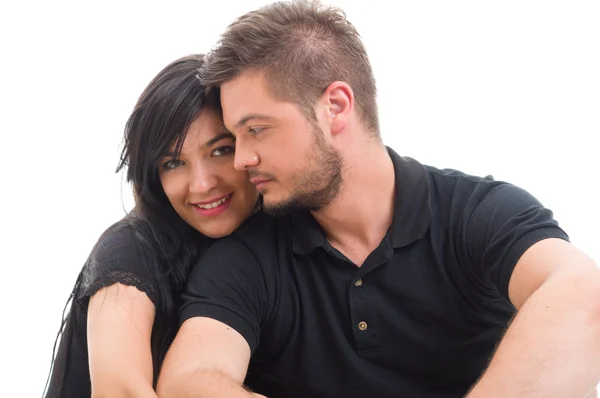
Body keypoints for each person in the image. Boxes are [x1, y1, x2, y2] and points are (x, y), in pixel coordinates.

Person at [157, 2, 600, 398]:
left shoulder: (478, 212)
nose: (242, 160)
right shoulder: (246, 257)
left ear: (336, 106)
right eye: (234, 137)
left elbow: (585, 297)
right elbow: (188, 379)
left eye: (256, 130)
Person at [42, 54, 259, 398]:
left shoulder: (273, 247)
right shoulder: (129, 249)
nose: (201, 184)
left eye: (220, 151)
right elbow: (121, 391)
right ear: (154, 177)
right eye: (174, 163)